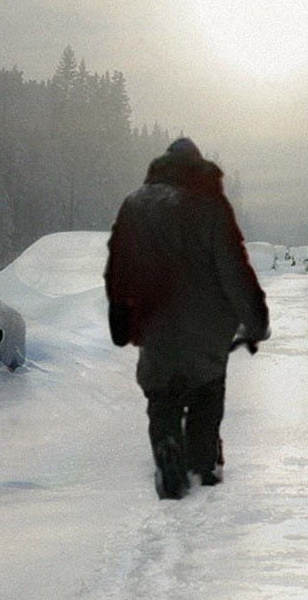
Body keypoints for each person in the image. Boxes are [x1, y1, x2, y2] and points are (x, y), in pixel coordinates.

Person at [105, 137, 269, 499]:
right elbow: (233, 268)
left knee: (162, 396)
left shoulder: (135, 205)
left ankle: (167, 448)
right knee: (206, 393)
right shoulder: (210, 204)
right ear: (197, 166)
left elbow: (119, 265)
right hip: (208, 330)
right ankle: (203, 462)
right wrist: (256, 321)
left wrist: (120, 312)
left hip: (155, 325)